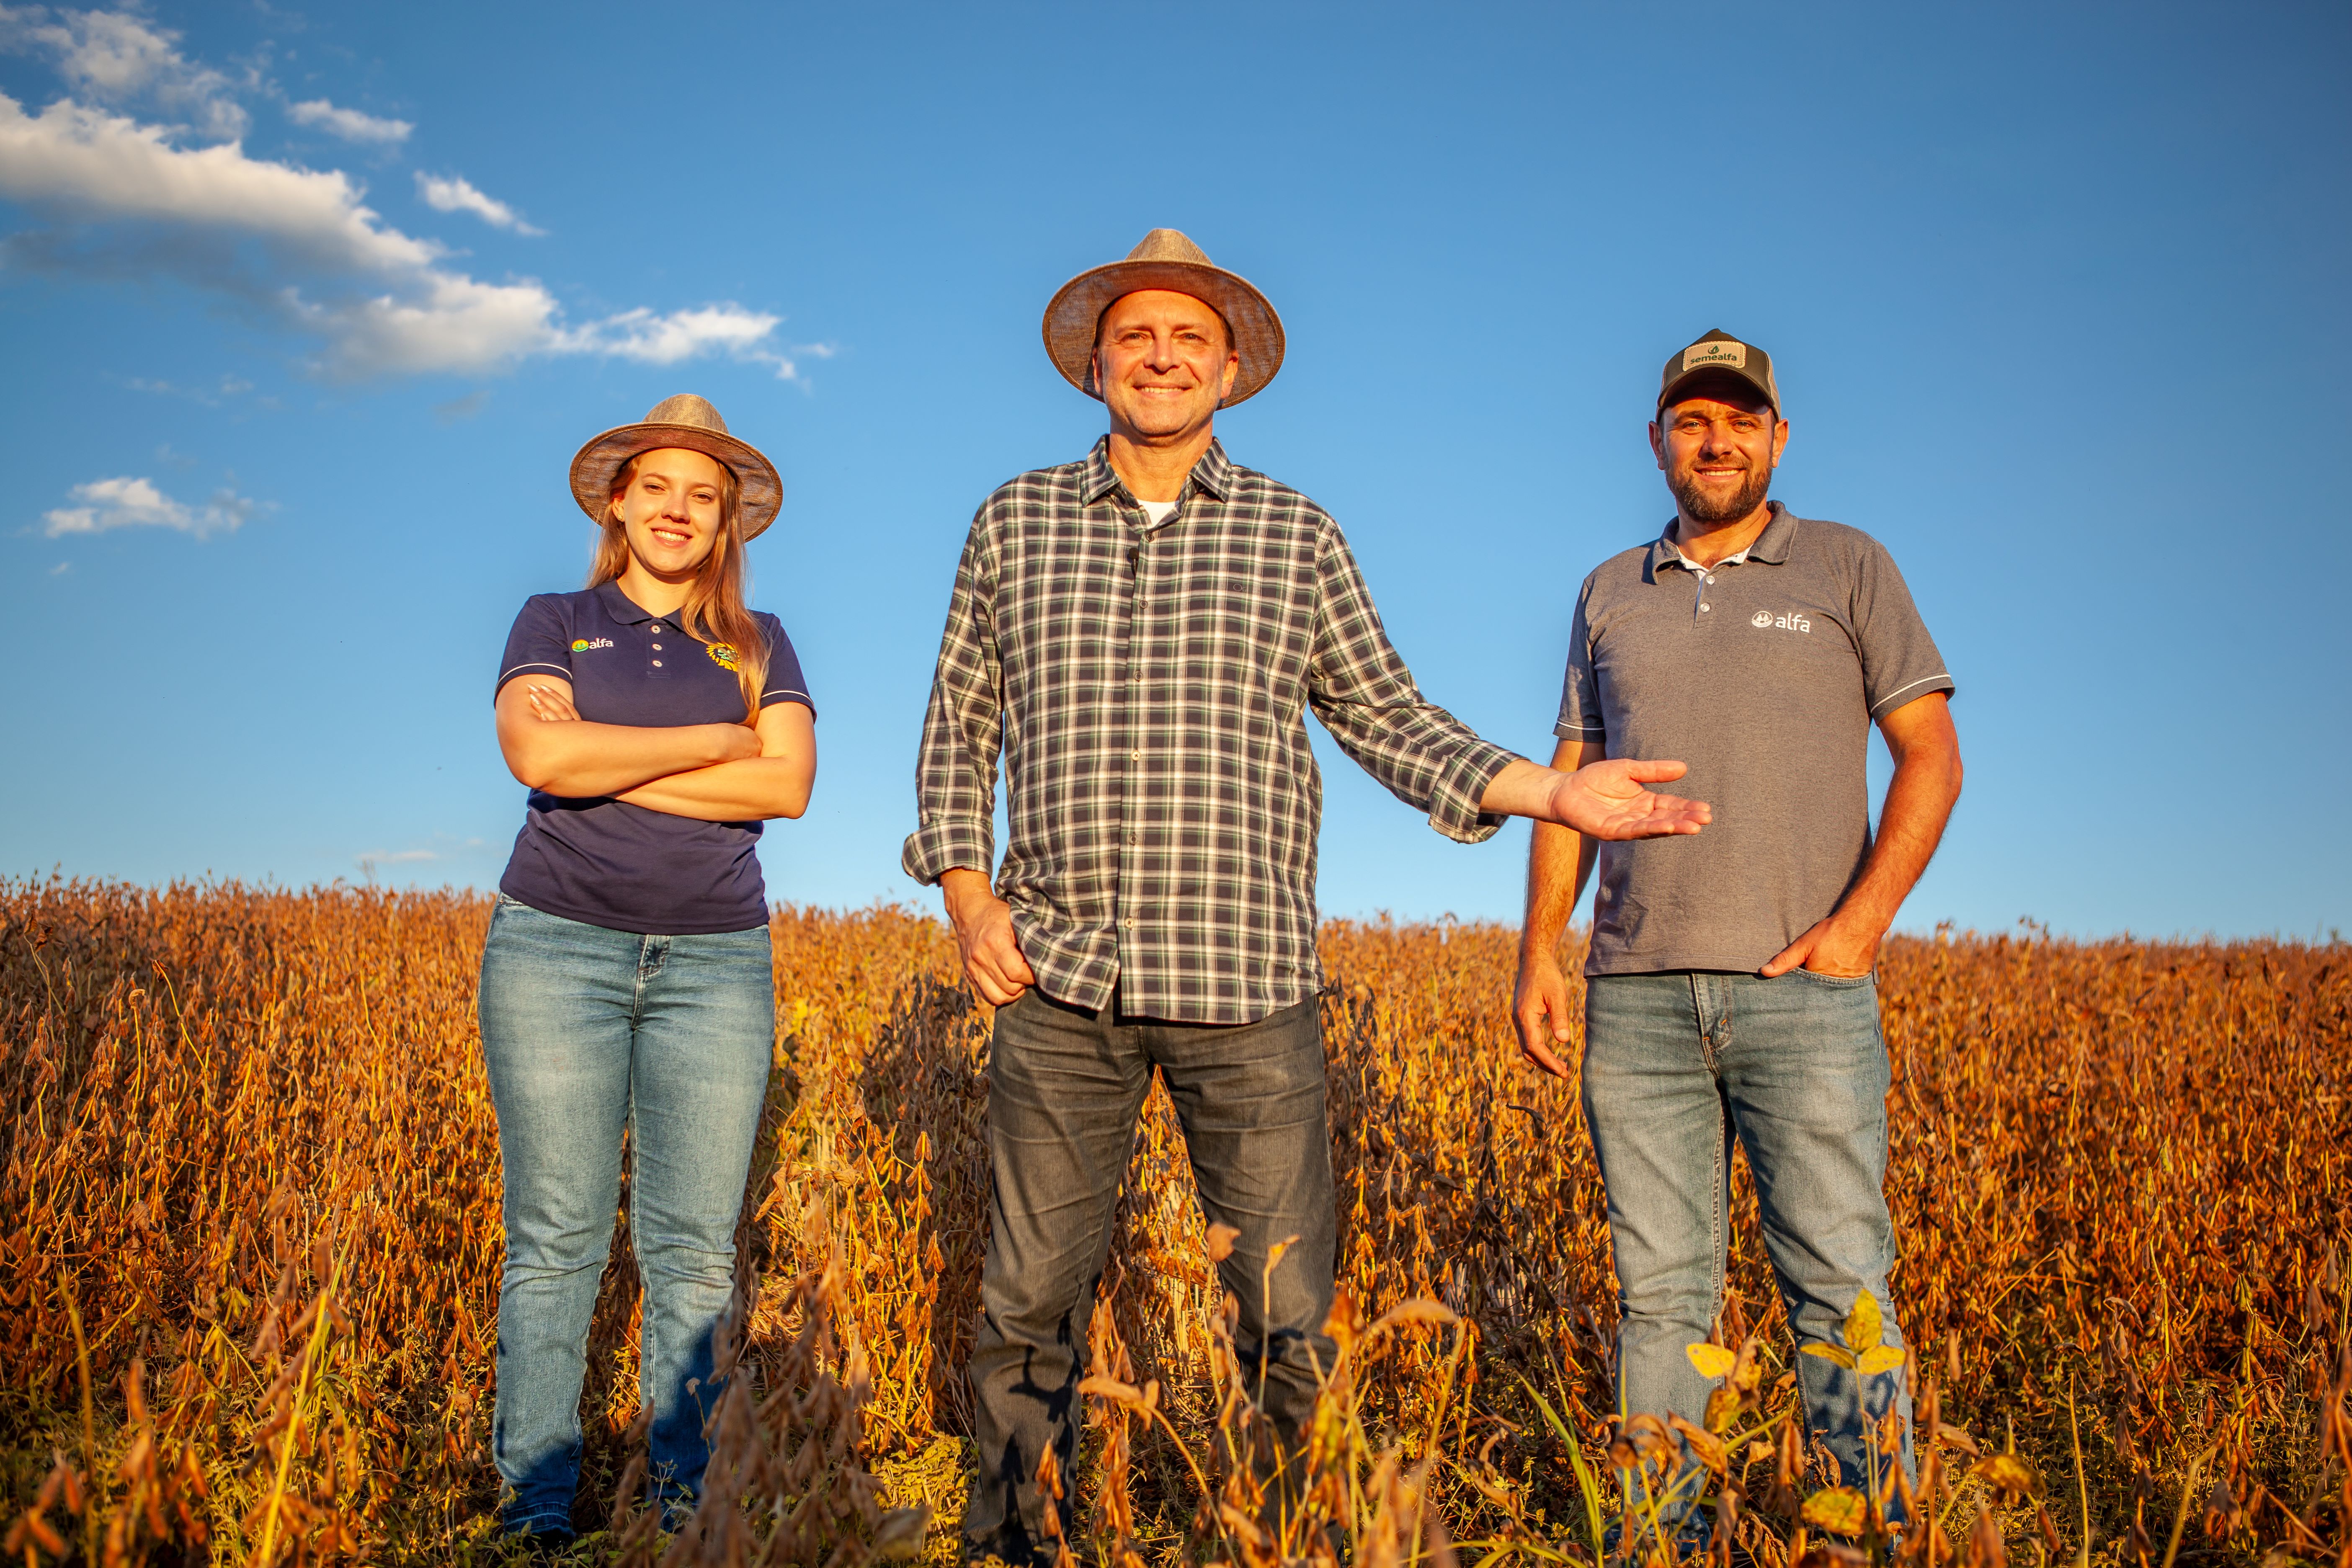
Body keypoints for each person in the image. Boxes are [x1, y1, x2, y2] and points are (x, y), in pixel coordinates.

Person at [904, 229, 1714, 1563]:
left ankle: (1282, 1546)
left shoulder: (1294, 533)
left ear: (1229, 370)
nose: (1162, 358)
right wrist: (968, 900)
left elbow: (1388, 714)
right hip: (1057, 975)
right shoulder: (1015, 520)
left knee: (1287, 1318)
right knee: (1027, 1304)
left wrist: (1551, 793)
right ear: (1096, 365)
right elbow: (959, 722)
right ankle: (1016, 1547)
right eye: (1136, 337)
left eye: (1189, 339)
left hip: (1247, 984)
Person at [1512, 331, 1964, 1522]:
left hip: (1801, 994)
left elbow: (1931, 755)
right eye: (1692, 422)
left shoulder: (1848, 566)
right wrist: (1542, 951)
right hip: (1636, 1001)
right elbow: (1571, 785)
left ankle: (1877, 1537)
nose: (1716, 441)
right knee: (1660, 1298)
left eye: (1741, 421)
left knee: (1840, 1284)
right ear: (1657, 441)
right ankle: (1656, 1542)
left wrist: (1858, 929)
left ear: (1778, 438)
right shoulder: (1610, 590)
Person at [477, 395, 818, 1547]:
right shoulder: (554, 618)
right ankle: (536, 1506)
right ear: (619, 503)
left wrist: (604, 762)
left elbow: (786, 786)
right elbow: (538, 753)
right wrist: (717, 742)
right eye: (658, 488)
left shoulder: (759, 642)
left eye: (703, 497)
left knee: (693, 1253)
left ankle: (685, 1508)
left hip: (716, 962)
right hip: (555, 948)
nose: (678, 510)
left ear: (728, 522)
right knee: (556, 1238)